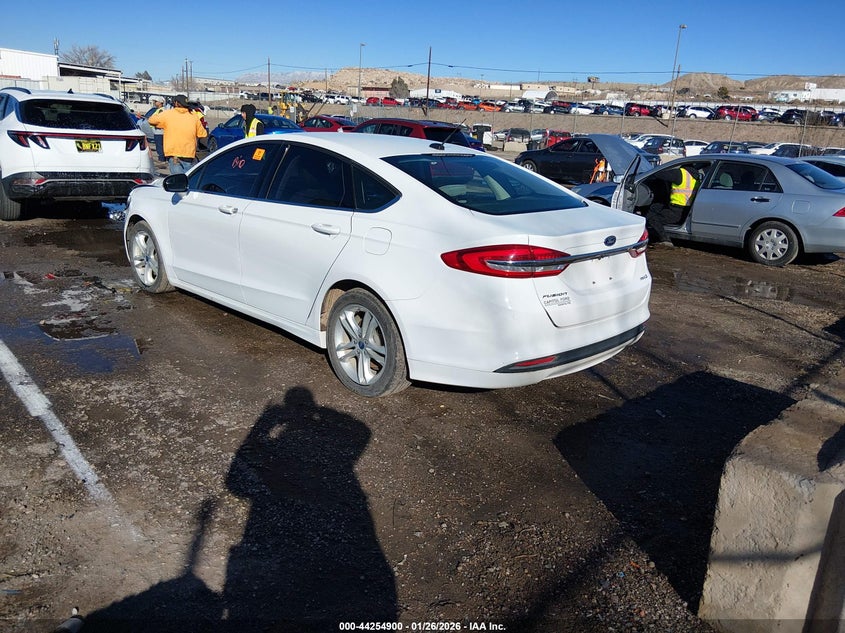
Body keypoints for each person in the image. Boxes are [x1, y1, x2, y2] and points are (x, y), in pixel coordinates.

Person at [148, 94, 207, 175]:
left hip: (173, 154)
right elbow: (202, 134)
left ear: (175, 103)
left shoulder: (168, 114)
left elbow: (151, 120)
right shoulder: (194, 116)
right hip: (188, 154)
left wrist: (162, 123)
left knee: (177, 181)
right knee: (188, 178)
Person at [645, 166, 698, 246]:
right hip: (687, 210)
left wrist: (648, 172)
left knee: (651, 217)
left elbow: (659, 174)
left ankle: (665, 239)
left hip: (676, 211)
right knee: (656, 207)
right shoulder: (696, 177)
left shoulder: (681, 173)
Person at [148, 96, 167, 162]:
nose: (154, 103)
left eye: (156, 102)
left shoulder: (161, 110)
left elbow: (159, 120)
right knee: (161, 146)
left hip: (159, 131)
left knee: (160, 146)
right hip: (159, 131)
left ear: (160, 102)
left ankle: (162, 159)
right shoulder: (159, 110)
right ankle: (163, 158)